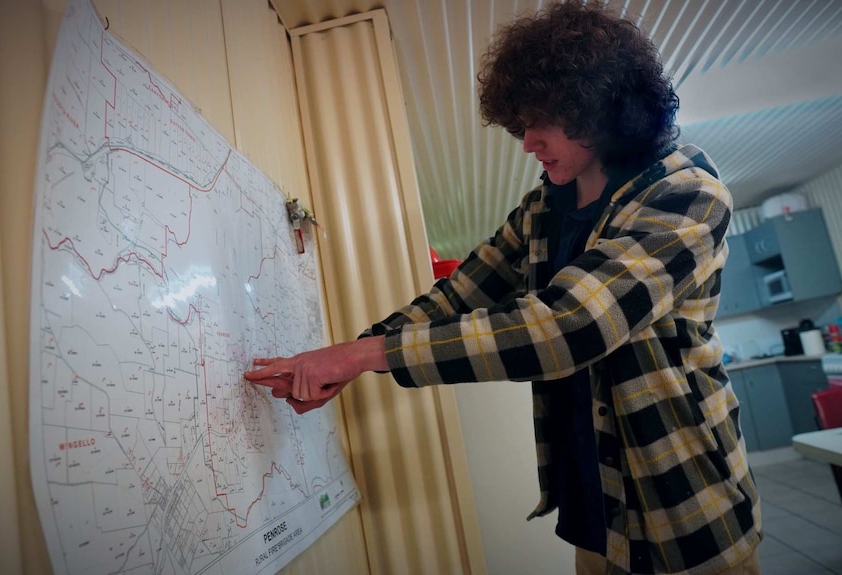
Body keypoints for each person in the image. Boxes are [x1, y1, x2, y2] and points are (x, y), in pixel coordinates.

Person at [244, 1, 762, 573]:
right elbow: (461, 292)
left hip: (681, 502)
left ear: (599, 107)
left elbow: (570, 326)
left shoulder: (687, 193)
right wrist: (354, 356)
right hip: (594, 506)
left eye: (540, 121)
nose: (527, 142)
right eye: (520, 125)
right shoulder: (544, 205)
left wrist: (367, 355)